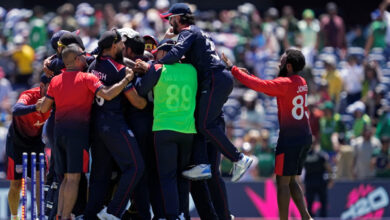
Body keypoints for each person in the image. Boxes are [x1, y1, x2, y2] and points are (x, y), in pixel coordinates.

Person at [146, 2, 253, 182]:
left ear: (178, 18)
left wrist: (151, 66)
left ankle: (238, 158)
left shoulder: (188, 32)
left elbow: (174, 54)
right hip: (217, 78)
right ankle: (202, 164)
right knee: (199, 120)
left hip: (214, 79)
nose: (169, 22)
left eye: (171, 18)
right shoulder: (199, 32)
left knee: (204, 124)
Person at [39, 43, 135, 220]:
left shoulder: (55, 80)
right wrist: (126, 80)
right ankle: (66, 216)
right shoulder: (86, 78)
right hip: (77, 134)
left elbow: (44, 106)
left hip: (59, 134)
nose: (86, 58)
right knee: (74, 179)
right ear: (76, 59)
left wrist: (39, 104)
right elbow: (107, 94)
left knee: (65, 180)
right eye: (83, 55)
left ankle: (61, 216)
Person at [222, 49, 313, 220]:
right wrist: (250, 76)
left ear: (290, 66)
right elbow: (269, 84)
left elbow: (261, 86)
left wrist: (233, 69)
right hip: (305, 136)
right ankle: (306, 217)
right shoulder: (301, 81)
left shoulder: (285, 83)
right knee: (292, 179)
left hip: (290, 139)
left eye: (282, 60)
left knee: (282, 182)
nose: (279, 63)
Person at [85, 29, 145, 220]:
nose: (123, 47)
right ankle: (113, 212)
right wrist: (148, 103)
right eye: (120, 44)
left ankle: (90, 216)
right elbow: (137, 102)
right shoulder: (119, 70)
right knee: (136, 167)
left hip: (96, 126)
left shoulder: (92, 65)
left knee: (99, 177)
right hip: (114, 124)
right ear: (113, 46)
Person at [137, 41, 197, 220]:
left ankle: (172, 216)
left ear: (164, 53)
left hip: (164, 129)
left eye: (157, 53)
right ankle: (183, 214)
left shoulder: (158, 69)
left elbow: (141, 90)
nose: (155, 56)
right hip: (188, 130)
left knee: (167, 176)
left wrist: (146, 70)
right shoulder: (192, 70)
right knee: (183, 176)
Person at [6, 75, 52, 220]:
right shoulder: (29, 94)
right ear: (42, 86)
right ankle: (14, 217)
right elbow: (16, 109)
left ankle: (40, 216)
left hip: (36, 143)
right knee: (16, 184)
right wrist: (35, 107)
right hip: (17, 142)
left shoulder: (54, 99)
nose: (52, 92)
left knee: (40, 180)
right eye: (49, 88)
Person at [303, 145, 333, 217]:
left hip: (309, 182)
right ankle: (323, 217)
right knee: (323, 202)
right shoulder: (321, 155)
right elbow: (329, 168)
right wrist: (331, 179)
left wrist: (301, 183)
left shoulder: (304, 157)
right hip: (320, 181)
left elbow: (298, 171)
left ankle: (310, 218)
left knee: (309, 203)